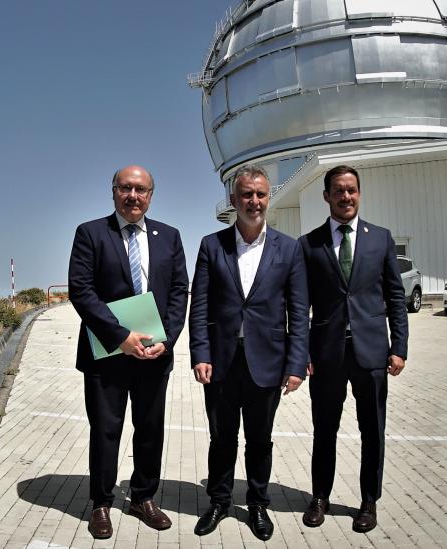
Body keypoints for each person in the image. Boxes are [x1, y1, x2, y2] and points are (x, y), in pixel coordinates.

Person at [68, 165, 189, 540]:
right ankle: (101, 503)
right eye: (126, 188)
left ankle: (143, 497)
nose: (133, 196)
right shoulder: (90, 233)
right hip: (108, 352)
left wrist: (166, 338)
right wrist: (121, 336)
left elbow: (179, 290)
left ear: (151, 195)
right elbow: (81, 290)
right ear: (114, 191)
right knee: (106, 430)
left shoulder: (169, 236)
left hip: (154, 354)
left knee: (150, 429)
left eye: (141, 189)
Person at [188, 166, 309, 541]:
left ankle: (257, 503)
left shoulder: (288, 248)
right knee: (221, 438)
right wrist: (199, 354)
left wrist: (295, 365)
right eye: (246, 195)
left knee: (260, 439)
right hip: (222, 361)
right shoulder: (212, 245)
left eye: (260, 194)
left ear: (268, 198)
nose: (253, 201)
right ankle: (220, 502)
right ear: (233, 201)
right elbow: (201, 307)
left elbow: (298, 312)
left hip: (267, 362)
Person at [298, 165, 409, 533]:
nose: (346, 197)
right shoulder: (309, 244)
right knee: (324, 430)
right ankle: (319, 497)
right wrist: (303, 353)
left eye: (352, 190)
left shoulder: (380, 238)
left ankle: (368, 501)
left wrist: (400, 347)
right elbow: (299, 306)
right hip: (326, 354)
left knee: (372, 430)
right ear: (326, 196)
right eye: (339, 191)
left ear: (359, 194)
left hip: (372, 353)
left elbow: (395, 296)